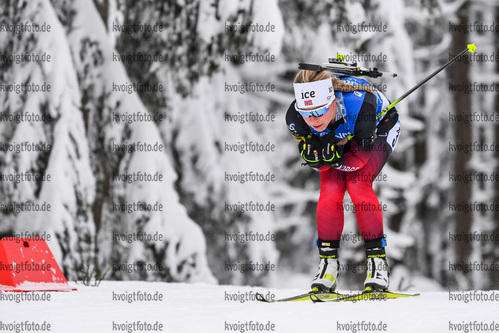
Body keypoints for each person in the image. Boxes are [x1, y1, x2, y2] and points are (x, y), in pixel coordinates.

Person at [286, 69, 401, 292]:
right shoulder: (295, 119)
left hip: (378, 127)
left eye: (319, 110)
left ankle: (378, 263)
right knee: (330, 188)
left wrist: (332, 158)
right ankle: (327, 265)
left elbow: (358, 161)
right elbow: (318, 157)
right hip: (344, 134)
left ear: (332, 100)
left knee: (358, 184)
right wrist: (318, 160)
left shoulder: (361, 107)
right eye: (306, 112)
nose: (313, 119)